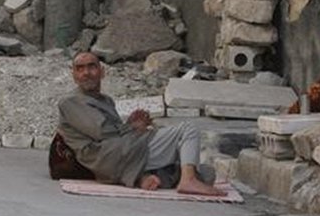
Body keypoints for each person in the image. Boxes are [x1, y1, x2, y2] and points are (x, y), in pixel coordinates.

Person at [57, 51, 225, 196]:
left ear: (102, 72)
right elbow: (102, 132)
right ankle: (187, 181)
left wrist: (131, 124)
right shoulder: (71, 101)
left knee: (206, 173)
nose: (86, 73)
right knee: (188, 130)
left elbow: (115, 131)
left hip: (122, 153)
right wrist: (133, 127)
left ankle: (142, 177)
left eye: (91, 67)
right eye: (80, 69)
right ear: (73, 75)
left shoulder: (105, 100)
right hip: (108, 157)